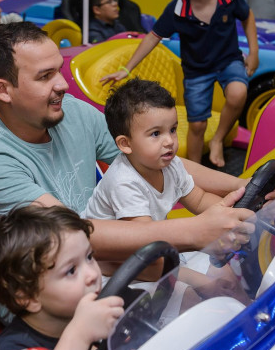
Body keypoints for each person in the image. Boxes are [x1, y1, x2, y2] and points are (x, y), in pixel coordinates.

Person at [0, 21, 275, 281]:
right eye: (45, 76)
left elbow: (157, 159)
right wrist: (196, 232)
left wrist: (245, 185)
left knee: (232, 278)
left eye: (58, 70)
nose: (62, 84)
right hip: (49, 290)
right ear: (4, 90)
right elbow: (69, 234)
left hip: (105, 257)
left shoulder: (71, 112)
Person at [82, 78, 249, 306]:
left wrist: (234, 214)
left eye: (172, 129)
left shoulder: (170, 164)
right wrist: (201, 282)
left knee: (228, 279)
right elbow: (147, 250)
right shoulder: (123, 182)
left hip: (161, 246)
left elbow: (199, 198)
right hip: (122, 268)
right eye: (155, 134)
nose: (169, 141)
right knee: (194, 299)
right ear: (125, 144)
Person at [101, 0, 259, 168]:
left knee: (238, 93)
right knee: (197, 125)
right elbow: (153, 37)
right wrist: (126, 69)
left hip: (228, 60)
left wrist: (254, 52)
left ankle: (218, 139)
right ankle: (193, 172)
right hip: (196, 70)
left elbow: (247, 16)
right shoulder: (178, 8)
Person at [0, 204, 124, 350]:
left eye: (89, 257)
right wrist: (81, 333)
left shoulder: (88, 309)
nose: (93, 274)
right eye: (71, 270)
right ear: (28, 296)